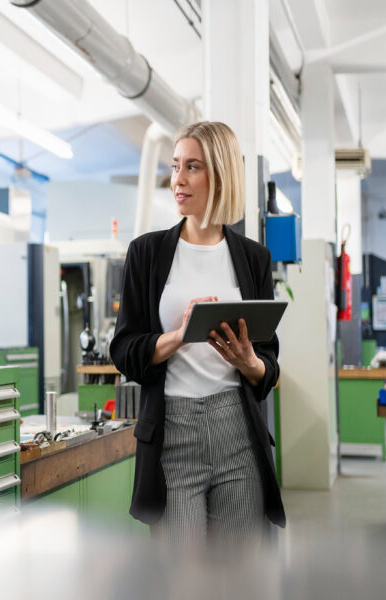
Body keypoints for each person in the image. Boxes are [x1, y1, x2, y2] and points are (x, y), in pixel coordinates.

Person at [109, 121, 284, 545]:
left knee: (238, 576)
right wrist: (178, 336)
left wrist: (251, 363)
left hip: (236, 430)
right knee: (181, 579)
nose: (178, 180)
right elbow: (124, 350)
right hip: (173, 433)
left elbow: (270, 365)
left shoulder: (253, 258)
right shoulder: (146, 253)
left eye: (192, 167)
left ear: (219, 175)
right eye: (175, 166)